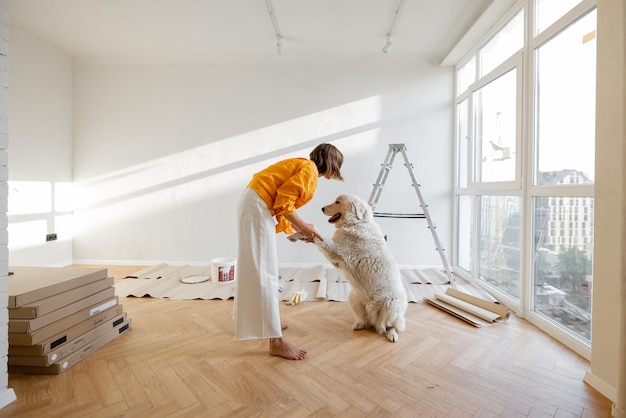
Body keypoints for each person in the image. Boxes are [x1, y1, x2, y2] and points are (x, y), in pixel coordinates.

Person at [234, 143, 344, 360]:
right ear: (331, 165)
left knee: (263, 268)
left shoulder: (303, 166)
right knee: (262, 270)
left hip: (255, 205)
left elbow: (282, 205)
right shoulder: (309, 170)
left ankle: (268, 322)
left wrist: (301, 230)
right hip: (256, 206)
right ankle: (276, 341)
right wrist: (304, 227)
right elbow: (284, 202)